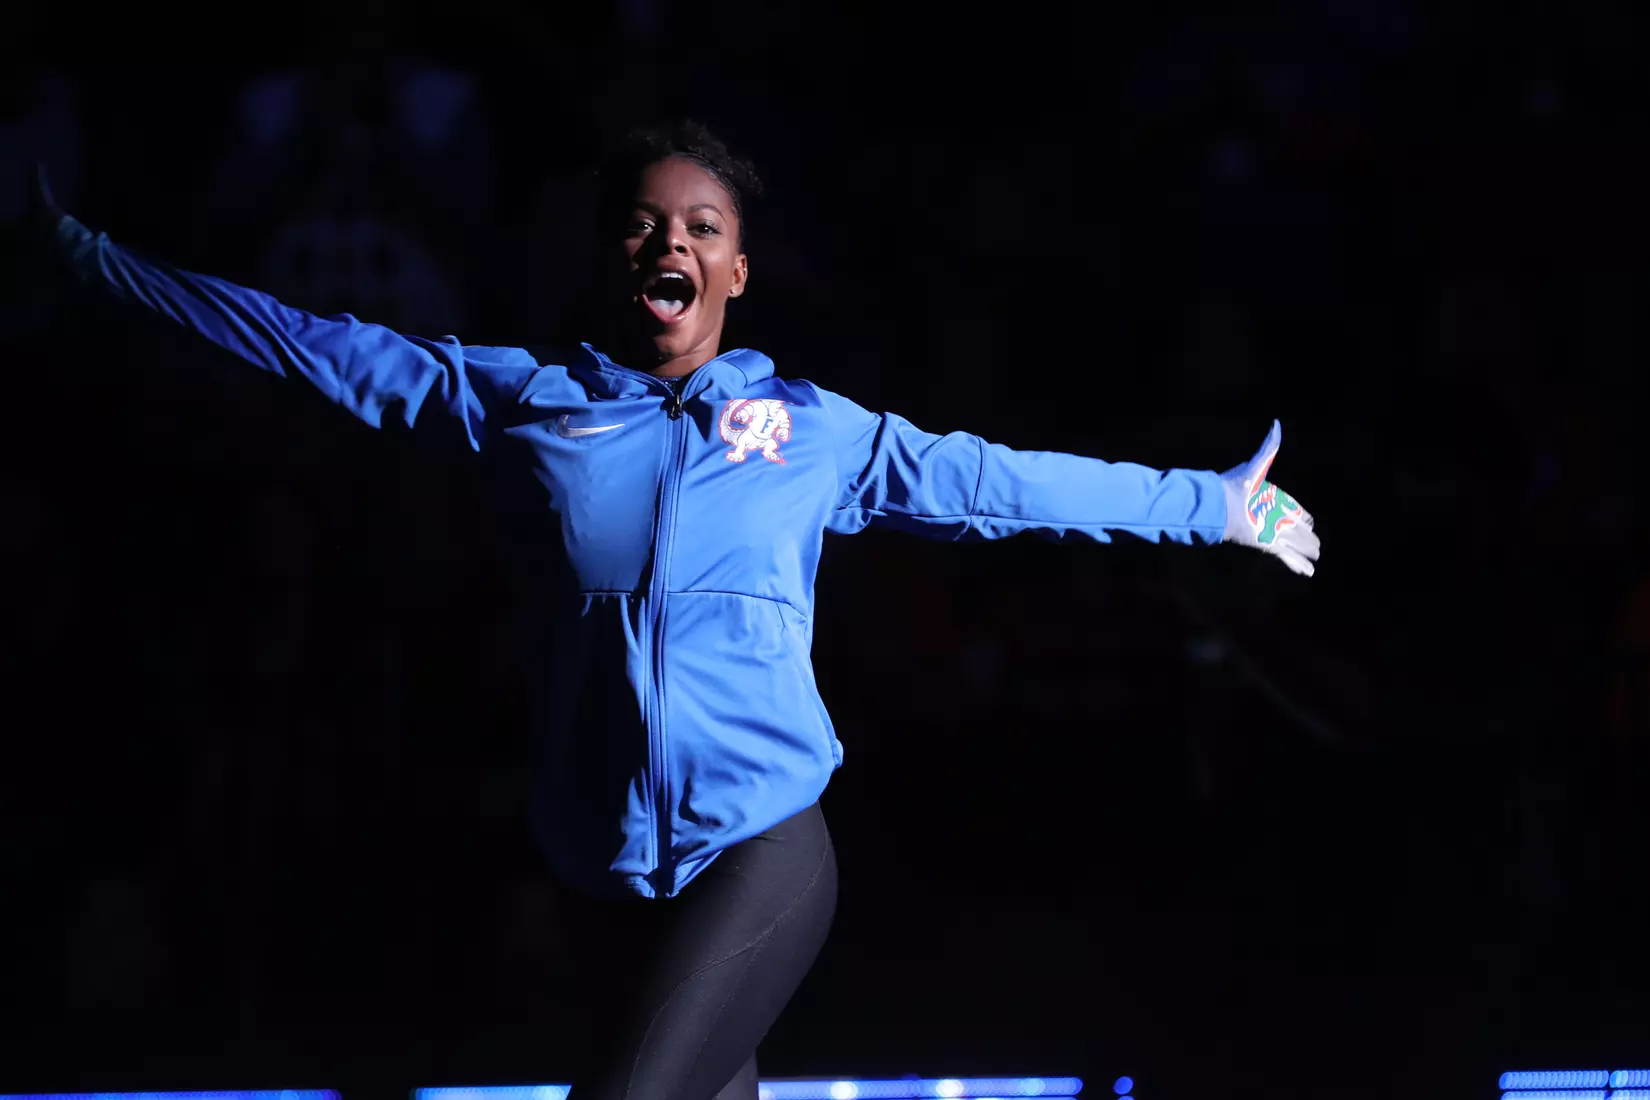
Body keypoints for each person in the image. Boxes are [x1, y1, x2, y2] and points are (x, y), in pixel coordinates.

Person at [33, 121, 1320, 1099]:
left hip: (760, 843)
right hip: (601, 873)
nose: (673, 245)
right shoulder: (521, 401)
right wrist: (91, 263)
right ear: (614, 254)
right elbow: (309, 344)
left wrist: (1211, 504)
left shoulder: (812, 432)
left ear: (737, 270)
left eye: (702, 227)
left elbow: (1001, 480)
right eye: (647, 225)